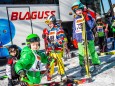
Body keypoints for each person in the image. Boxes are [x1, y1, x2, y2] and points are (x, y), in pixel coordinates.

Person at [71, 1, 101, 76]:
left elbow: (92, 25)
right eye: (76, 11)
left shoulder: (87, 15)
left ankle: (96, 65)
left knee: (92, 51)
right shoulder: (75, 19)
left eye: (79, 10)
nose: (78, 12)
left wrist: (87, 18)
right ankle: (83, 67)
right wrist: (74, 38)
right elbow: (74, 29)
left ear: (82, 9)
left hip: (88, 37)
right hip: (80, 39)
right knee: (81, 53)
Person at [45, 15, 65, 81]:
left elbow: (62, 39)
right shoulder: (49, 30)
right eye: (48, 24)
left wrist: (56, 44)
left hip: (57, 49)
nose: (49, 25)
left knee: (59, 61)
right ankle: (50, 73)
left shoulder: (58, 29)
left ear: (53, 22)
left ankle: (61, 73)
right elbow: (49, 40)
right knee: (51, 62)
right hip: (51, 50)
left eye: (50, 23)